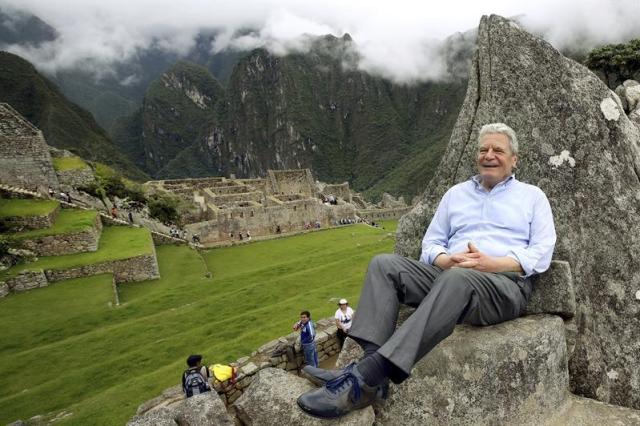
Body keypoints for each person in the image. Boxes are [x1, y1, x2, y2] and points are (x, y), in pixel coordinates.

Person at [297, 123, 557, 419]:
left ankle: (363, 378)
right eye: (483, 149)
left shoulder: (532, 197)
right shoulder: (456, 195)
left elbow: (542, 250)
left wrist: (492, 263)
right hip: (452, 274)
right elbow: (431, 242)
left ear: (514, 160)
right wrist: (446, 259)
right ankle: (368, 373)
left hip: (503, 285)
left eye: (498, 150)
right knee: (384, 265)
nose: (489, 155)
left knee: (458, 279)